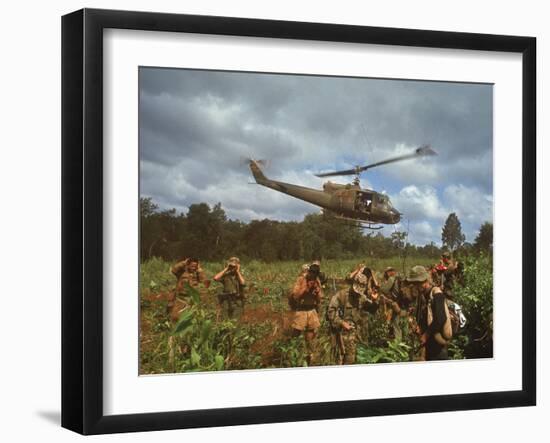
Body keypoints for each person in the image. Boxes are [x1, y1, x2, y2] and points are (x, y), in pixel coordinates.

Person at [327, 272, 378, 364]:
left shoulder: (361, 297)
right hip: (339, 334)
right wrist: (342, 323)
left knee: (350, 360)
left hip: (352, 335)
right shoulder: (341, 295)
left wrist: (374, 301)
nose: (357, 294)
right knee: (338, 361)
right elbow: (331, 312)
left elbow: (372, 310)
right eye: (356, 291)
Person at [407, 265, 452, 361]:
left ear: (424, 281)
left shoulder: (437, 294)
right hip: (430, 344)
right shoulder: (422, 295)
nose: (415, 287)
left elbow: (440, 319)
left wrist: (426, 335)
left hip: (438, 346)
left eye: (416, 283)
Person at [288, 262, 323, 365]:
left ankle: (310, 355)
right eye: (311, 272)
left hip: (312, 310)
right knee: (296, 333)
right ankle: (291, 352)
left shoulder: (317, 280)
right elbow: (295, 295)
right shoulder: (301, 279)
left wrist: (317, 291)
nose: (312, 275)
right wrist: (306, 288)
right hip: (301, 310)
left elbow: (320, 298)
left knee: (310, 334)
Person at [168, 257, 207, 321]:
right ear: (188, 265)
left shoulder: (197, 274)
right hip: (181, 298)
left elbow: (203, 282)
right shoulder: (181, 273)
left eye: (195, 266)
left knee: (191, 318)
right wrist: (184, 263)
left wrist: (199, 270)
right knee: (175, 317)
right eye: (192, 266)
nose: (193, 268)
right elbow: (174, 270)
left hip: (192, 299)